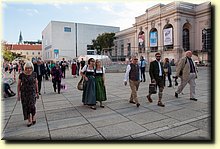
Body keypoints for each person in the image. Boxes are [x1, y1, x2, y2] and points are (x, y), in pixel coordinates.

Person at [17, 61, 39, 127]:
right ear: (25, 68)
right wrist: (18, 94)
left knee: (32, 105)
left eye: (30, 68)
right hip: (24, 93)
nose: (29, 69)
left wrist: (37, 92)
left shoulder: (34, 74)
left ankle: (33, 116)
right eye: (27, 68)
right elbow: (18, 85)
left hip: (32, 92)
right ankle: (29, 120)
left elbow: (36, 83)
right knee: (26, 107)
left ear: (32, 68)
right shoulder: (21, 75)